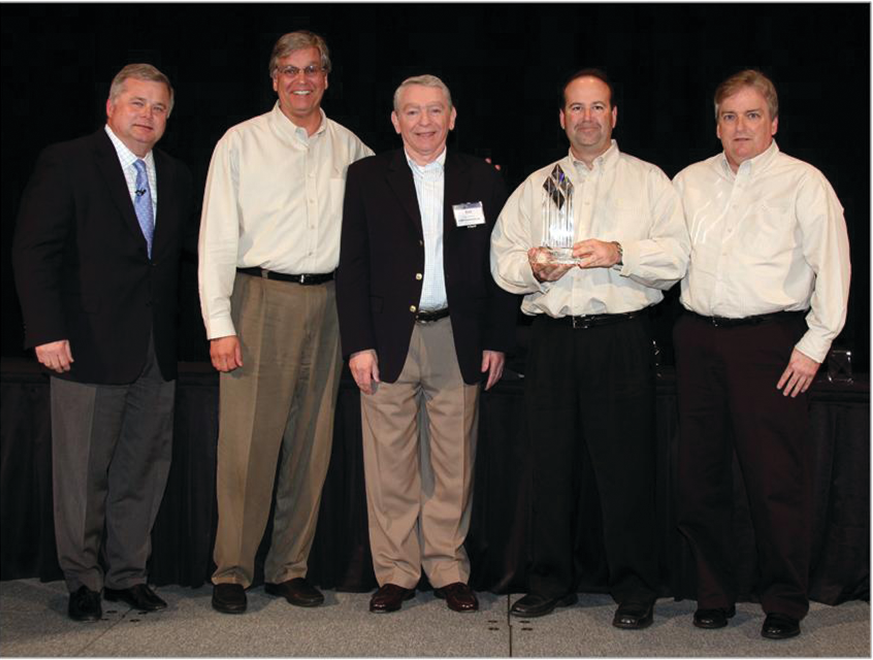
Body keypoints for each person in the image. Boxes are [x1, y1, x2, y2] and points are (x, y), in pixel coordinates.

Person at [490, 69, 689, 627]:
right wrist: (532, 268)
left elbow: (677, 257)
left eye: (596, 107)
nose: (586, 118)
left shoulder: (649, 181)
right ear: (562, 118)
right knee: (550, 466)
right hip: (553, 341)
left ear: (614, 115)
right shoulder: (540, 184)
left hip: (620, 338)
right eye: (575, 108)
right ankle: (551, 580)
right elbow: (500, 259)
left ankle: (634, 588)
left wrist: (620, 252)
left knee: (626, 468)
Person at [198, 30, 373, 614]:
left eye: (313, 70)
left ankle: (288, 567)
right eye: (291, 70)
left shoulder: (351, 148)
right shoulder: (240, 143)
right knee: (247, 444)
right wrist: (219, 323)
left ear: (327, 77)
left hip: (328, 306)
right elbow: (216, 238)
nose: (302, 80)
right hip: (259, 299)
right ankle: (232, 569)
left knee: (311, 443)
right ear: (274, 78)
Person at [672, 69, 851, 640]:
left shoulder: (804, 182)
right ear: (716, 124)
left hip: (770, 344)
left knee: (775, 479)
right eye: (729, 116)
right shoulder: (688, 181)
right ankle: (714, 594)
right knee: (700, 477)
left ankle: (783, 601)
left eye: (752, 115)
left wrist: (814, 345)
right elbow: (665, 256)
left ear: (773, 122)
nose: (740, 126)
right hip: (698, 338)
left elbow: (835, 267)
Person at [12, 64, 192, 621]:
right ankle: (82, 582)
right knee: (82, 475)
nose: (148, 116)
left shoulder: (178, 175)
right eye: (137, 103)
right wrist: (45, 329)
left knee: (141, 470)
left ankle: (126, 576)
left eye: (159, 107)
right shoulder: (66, 161)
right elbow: (34, 250)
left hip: (155, 351)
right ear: (111, 108)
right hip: (84, 346)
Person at [336, 75, 517, 614]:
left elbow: (500, 265)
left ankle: (446, 567)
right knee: (389, 462)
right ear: (395, 121)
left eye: (434, 111)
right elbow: (353, 265)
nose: (424, 122)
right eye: (412, 112)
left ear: (452, 117)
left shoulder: (481, 177)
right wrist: (357, 344)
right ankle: (395, 571)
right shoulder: (366, 177)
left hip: (457, 337)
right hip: (389, 339)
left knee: (452, 462)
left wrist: (497, 341)